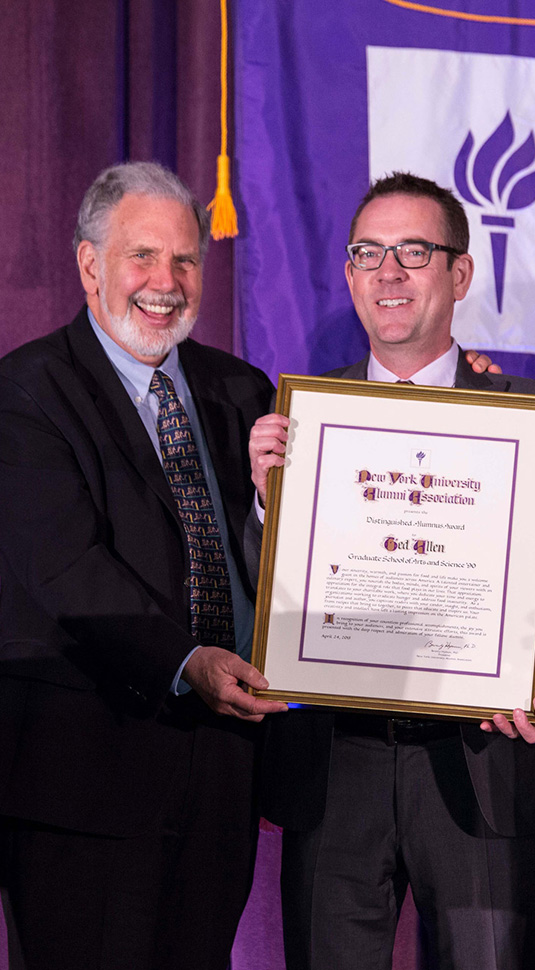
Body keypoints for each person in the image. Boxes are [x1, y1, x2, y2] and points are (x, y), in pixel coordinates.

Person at [247, 172, 535, 970]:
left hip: (484, 767)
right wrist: (270, 506)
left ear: (461, 273)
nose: (388, 272)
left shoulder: (527, 417)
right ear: (349, 274)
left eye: (413, 251)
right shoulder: (305, 417)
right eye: (368, 253)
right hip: (335, 767)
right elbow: (262, 596)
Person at [0, 162, 288, 970]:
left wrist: (275, 511)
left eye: (186, 259)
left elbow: (281, 555)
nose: (167, 282)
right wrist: (188, 662)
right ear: (89, 264)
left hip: (220, 772)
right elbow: (65, 570)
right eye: (143, 256)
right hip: (83, 780)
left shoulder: (243, 391)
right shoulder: (25, 392)